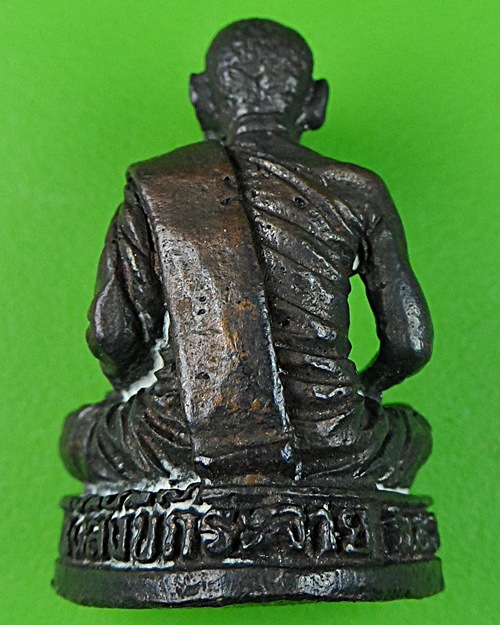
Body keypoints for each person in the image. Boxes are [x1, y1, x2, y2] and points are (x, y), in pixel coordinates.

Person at [61, 19, 432, 490]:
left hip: (180, 438)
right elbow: (410, 344)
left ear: (200, 96)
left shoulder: (162, 185)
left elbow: (112, 333)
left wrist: (132, 386)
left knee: (79, 437)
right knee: (414, 434)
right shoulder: (359, 190)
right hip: (335, 442)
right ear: (316, 102)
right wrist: (362, 392)